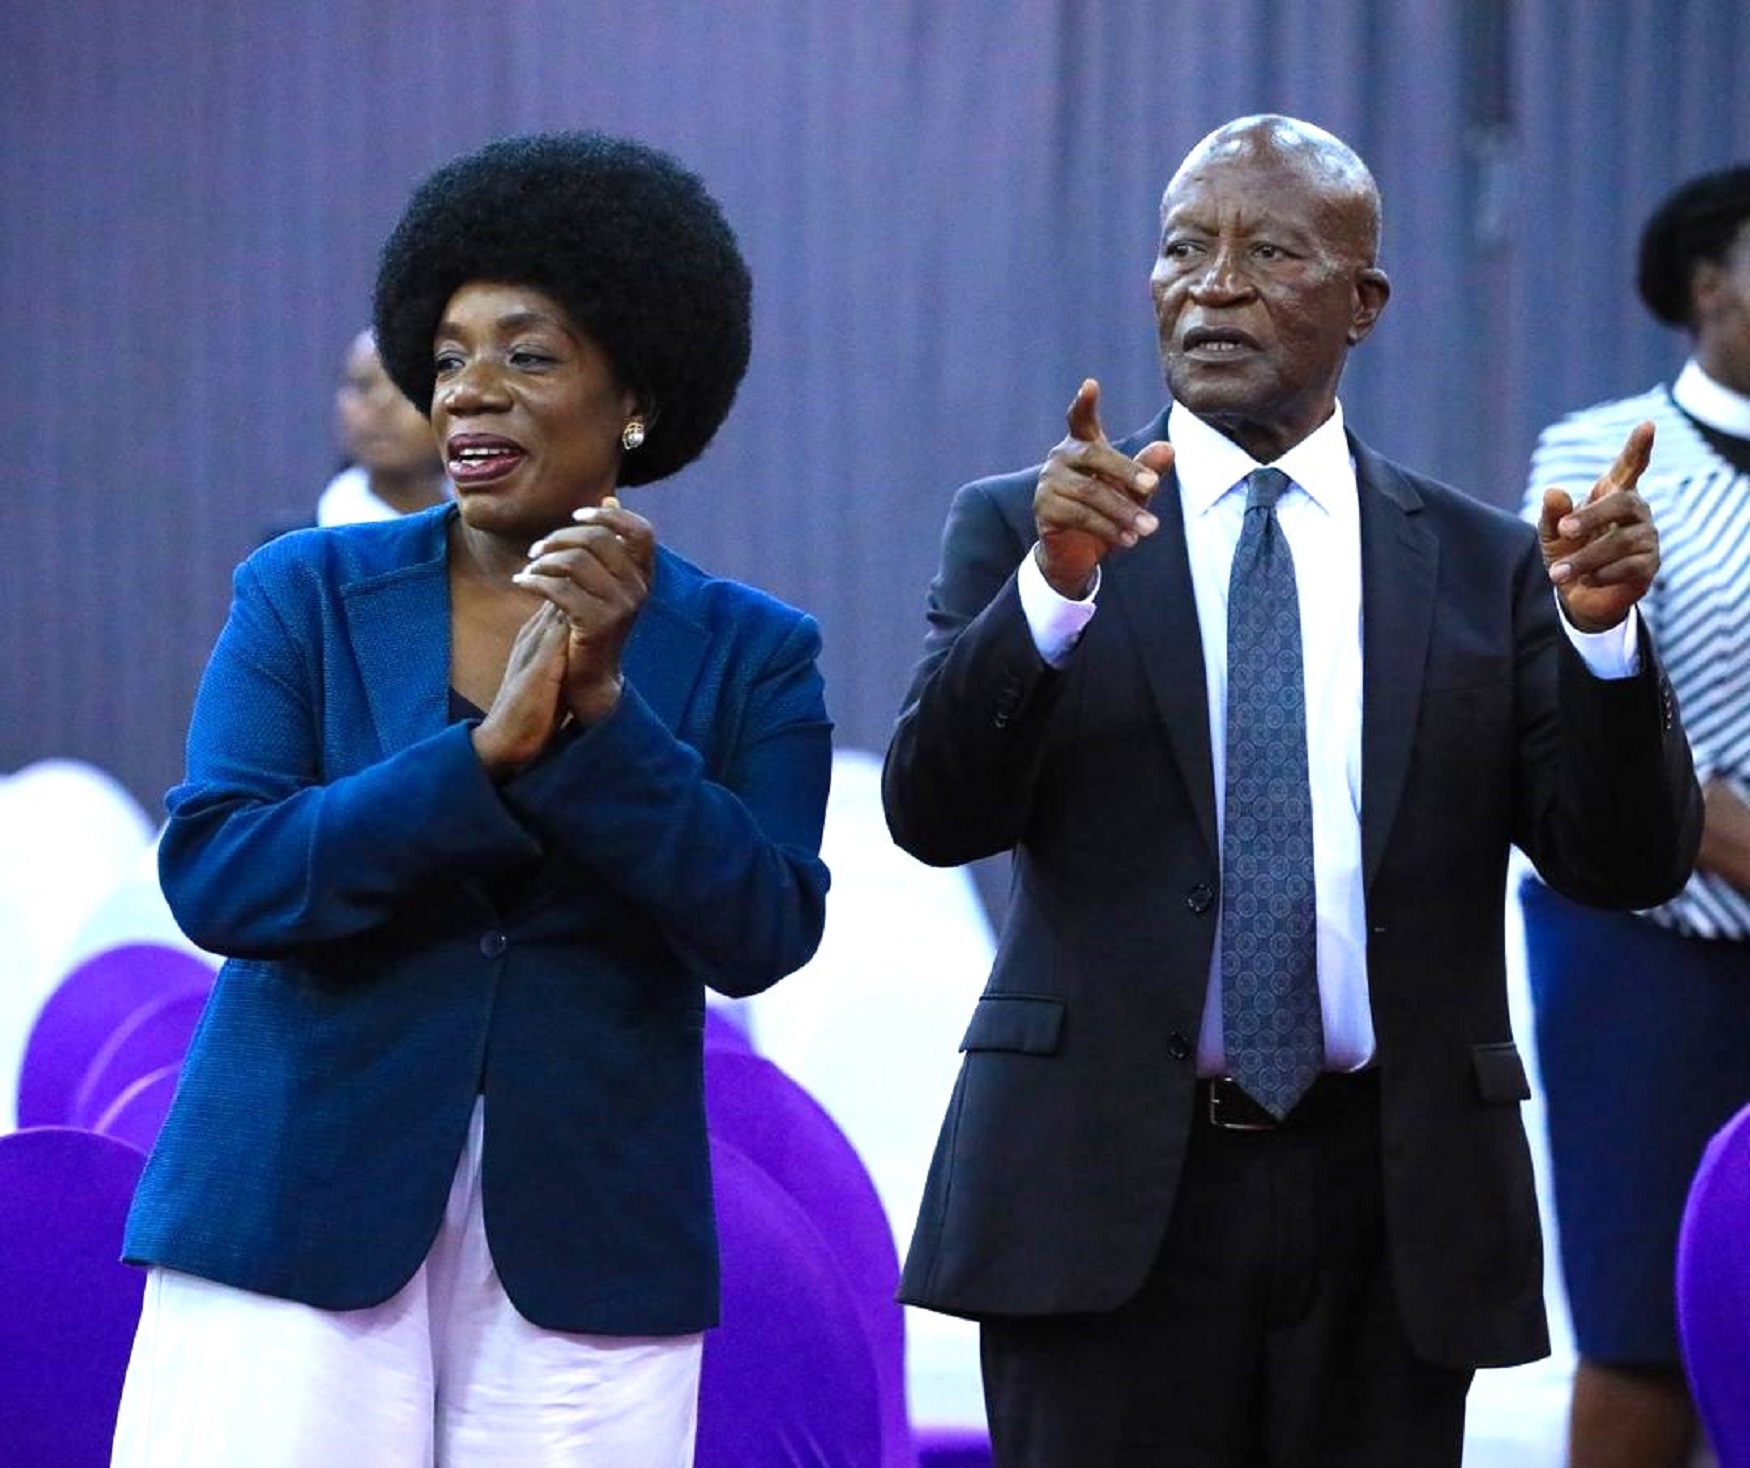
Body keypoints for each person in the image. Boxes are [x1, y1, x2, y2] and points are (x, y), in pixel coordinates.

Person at [883, 114, 1703, 1467]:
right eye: (1181, 250)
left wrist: (1604, 645)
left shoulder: (1483, 563)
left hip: (1391, 1205)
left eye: (1266, 253)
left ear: (1362, 301)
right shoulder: (1033, 528)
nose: (1212, 285)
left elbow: (1623, 862)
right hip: (1104, 1196)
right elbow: (934, 815)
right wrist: (1051, 594)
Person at [112, 131, 832, 1467]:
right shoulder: (305, 592)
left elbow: (763, 927)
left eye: (528, 355)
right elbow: (220, 873)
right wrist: (477, 761)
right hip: (293, 1203)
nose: (470, 393)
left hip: (590, 1243)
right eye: (446, 359)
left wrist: (604, 724)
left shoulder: (752, 650)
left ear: (635, 398)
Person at [1520, 163, 1750, 1468]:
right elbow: (1573, 701)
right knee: (1642, 1327)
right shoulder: (1598, 452)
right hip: (1646, 947)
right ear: (1707, 284)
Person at [317, 327, 451, 525]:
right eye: (363, 386)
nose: (382, 404)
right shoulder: (295, 544)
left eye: (406, 387)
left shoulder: (492, 530)